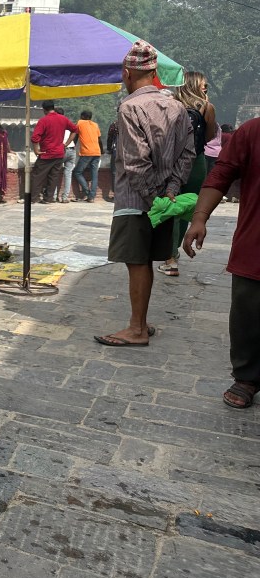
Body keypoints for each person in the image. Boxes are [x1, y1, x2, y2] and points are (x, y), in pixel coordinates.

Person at [94, 40, 193, 348]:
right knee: (145, 261)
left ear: (127, 73)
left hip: (137, 201)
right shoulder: (177, 107)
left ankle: (136, 328)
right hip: (164, 200)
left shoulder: (129, 107)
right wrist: (170, 192)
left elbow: (136, 162)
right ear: (154, 72)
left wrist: (153, 200)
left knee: (136, 263)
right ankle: (141, 322)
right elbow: (187, 154)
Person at [183, 117, 260, 408]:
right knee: (248, 312)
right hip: (255, 243)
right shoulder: (253, 131)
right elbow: (222, 174)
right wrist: (199, 218)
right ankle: (247, 376)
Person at [158, 71, 217, 277]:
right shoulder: (207, 107)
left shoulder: (172, 104)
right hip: (196, 163)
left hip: (173, 163)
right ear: (194, 85)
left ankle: (170, 257)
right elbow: (209, 137)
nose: (205, 87)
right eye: (203, 84)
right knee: (185, 208)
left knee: (171, 207)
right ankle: (173, 252)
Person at [29, 102, 77, 203]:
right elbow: (75, 130)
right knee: (53, 176)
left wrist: (36, 150)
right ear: (53, 108)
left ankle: (33, 198)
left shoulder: (44, 120)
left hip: (46, 153)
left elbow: (35, 137)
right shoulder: (63, 119)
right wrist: (66, 144)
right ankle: (48, 198)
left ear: (44, 109)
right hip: (59, 153)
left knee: (38, 175)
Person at [68, 110, 104, 202]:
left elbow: (75, 136)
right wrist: (102, 150)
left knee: (77, 172)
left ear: (83, 116)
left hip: (86, 153)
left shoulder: (80, 123)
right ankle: (92, 197)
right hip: (97, 152)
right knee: (94, 175)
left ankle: (87, 192)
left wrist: (72, 146)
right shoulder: (95, 125)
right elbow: (99, 139)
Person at [56, 106, 78, 202]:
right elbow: (75, 132)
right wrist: (67, 143)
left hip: (61, 150)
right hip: (71, 149)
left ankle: (53, 196)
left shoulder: (56, 124)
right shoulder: (68, 123)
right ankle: (65, 197)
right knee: (68, 174)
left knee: (55, 173)